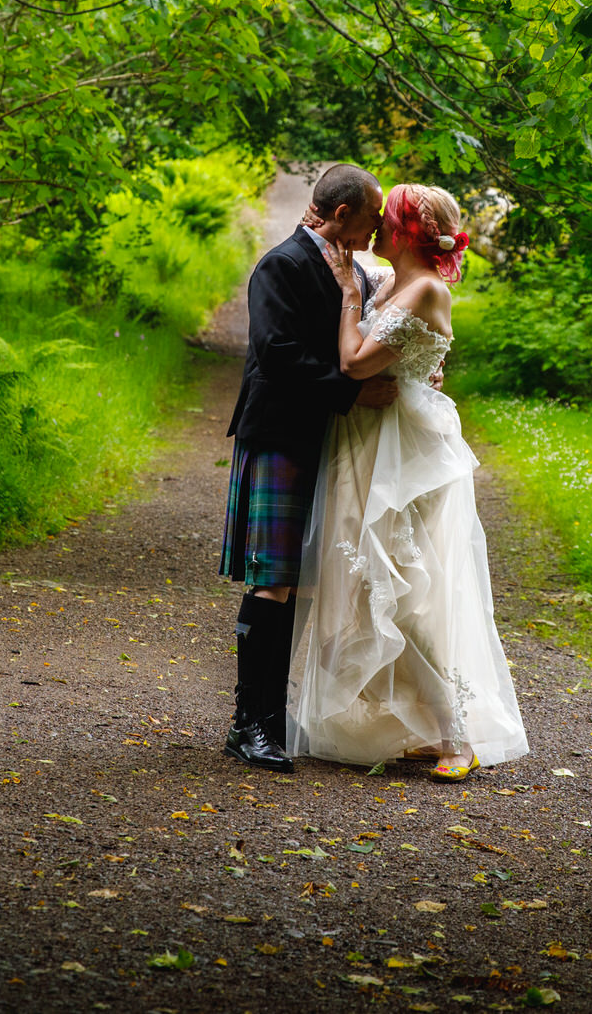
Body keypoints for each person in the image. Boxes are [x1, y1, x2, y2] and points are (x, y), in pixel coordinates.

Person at [290, 184, 529, 782]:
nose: (372, 230)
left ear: (404, 231)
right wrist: (327, 236)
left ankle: (456, 735)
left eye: (383, 220)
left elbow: (354, 363)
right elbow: (348, 267)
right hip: (368, 443)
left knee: (398, 592)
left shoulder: (423, 288)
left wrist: (349, 294)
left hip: (402, 450)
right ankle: (426, 726)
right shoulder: (391, 281)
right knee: (369, 584)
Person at [219, 164, 398, 773]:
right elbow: (276, 351)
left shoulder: (348, 265)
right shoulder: (283, 264)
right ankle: (248, 725)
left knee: (294, 581)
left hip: (317, 436)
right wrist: (347, 394)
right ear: (343, 213)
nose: (378, 227)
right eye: (372, 217)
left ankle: (271, 717)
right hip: (277, 433)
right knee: (272, 578)